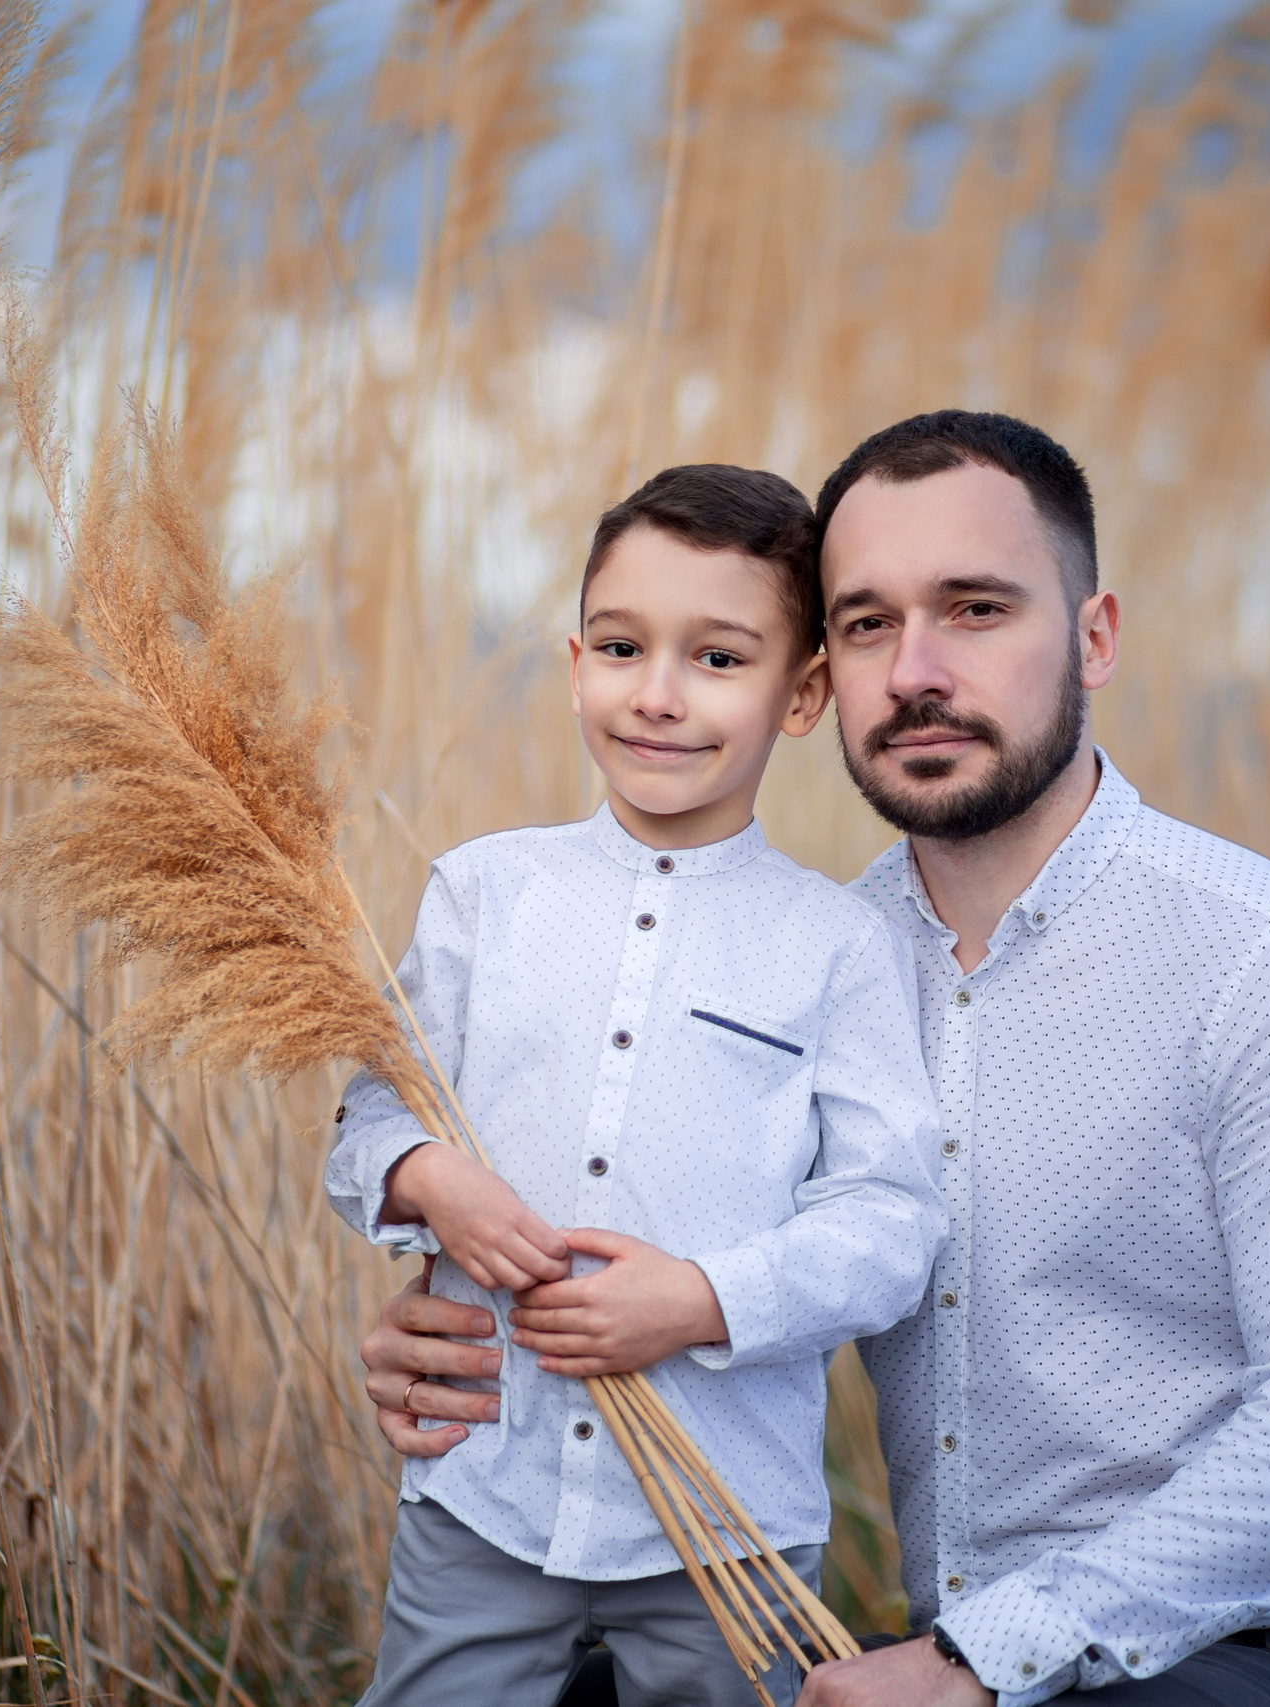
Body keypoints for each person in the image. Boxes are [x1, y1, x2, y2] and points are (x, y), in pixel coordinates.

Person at [358, 412, 1270, 1707]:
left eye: (975, 609)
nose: (915, 669)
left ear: (1095, 635)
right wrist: (459, 1317)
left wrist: (987, 1655)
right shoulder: (803, 959)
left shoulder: (1264, 954)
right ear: (823, 670)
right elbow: (625, 1203)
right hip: (928, 1656)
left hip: (1235, 1656)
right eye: (868, 621)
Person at [325, 464, 950, 1705]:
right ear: (573, 663)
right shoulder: (481, 895)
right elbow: (366, 1116)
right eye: (621, 647)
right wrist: (425, 1175)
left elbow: (891, 1226)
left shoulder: (837, 946)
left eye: (718, 659)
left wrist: (702, 1301)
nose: (656, 696)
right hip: (481, 1482)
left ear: (804, 691)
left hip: (728, 1520)